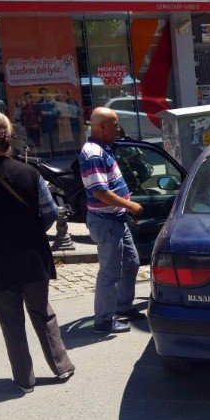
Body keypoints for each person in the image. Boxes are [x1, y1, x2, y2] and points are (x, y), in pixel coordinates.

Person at [0, 112, 75, 393]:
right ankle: (61, 368)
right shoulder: (31, 173)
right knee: (43, 313)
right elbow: (49, 214)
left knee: (11, 323)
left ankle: (25, 380)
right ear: (9, 138)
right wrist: (29, 231)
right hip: (32, 257)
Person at [80, 107, 145, 334]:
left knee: (131, 262)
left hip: (116, 218)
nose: (119, 128)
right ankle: (103, 321)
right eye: (115, 124)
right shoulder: (93, 153)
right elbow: (100, 192)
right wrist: (130, 205)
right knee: (109, 272)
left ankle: (123, 307)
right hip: (106, 222)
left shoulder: (104, 148)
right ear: (100, 128)